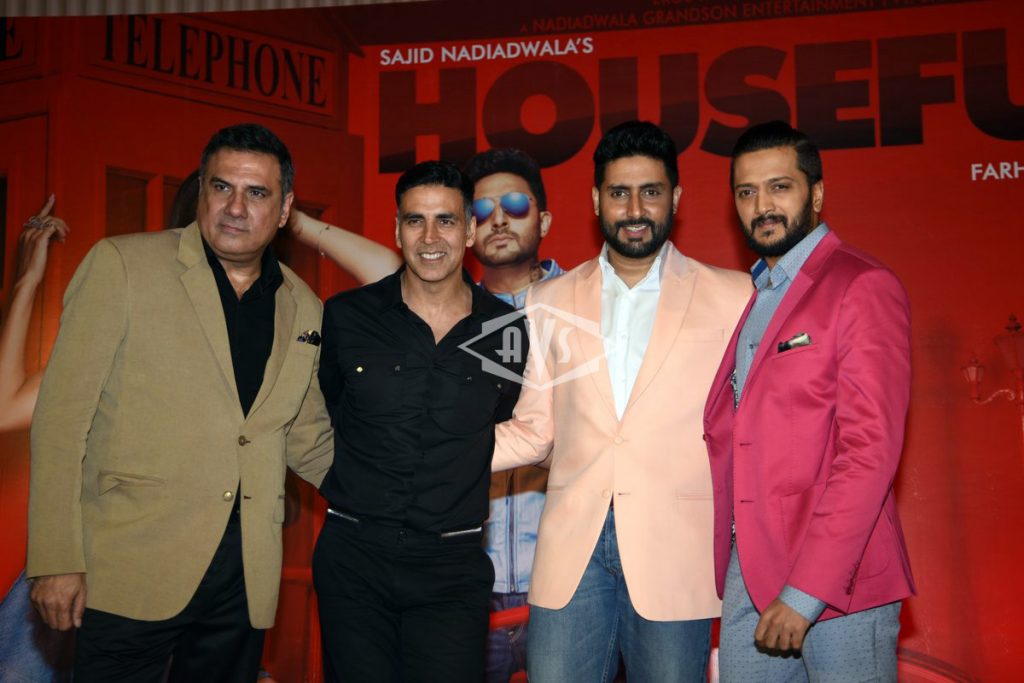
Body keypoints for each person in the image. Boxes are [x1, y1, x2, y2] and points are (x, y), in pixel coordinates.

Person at [26, 123, 334, 682]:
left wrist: (402, 496)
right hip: (130, 565)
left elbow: (306, 437)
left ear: (285, 209)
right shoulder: (123, 265)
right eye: (221, 187)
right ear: (202, 191)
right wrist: (55, 558)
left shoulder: (304, 306)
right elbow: (61, 421)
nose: (235, 208)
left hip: (243, 579)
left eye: (256, 193)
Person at [491, 121, 752, 682]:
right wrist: (428, 452)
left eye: (650, 192)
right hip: (571, 554)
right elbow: (534, 430)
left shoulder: (733, 296)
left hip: (675, 554)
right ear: (595, 200)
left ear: (675, 198)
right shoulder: (548, 300)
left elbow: (752, 432)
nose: (634, 209)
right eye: (619, 193)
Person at [703, 120, 915, 681]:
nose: (762, 206)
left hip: (839, 580)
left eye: (780, 187)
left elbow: (869, 451)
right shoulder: (759, 296)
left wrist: (806, 592)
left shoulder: (860, 284)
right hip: (750, 572)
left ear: (816, 194)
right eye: (746, 192)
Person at [313, 160, 527, 682]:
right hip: (354, 559)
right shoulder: (347, 316)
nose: (430, 237)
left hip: (452, 567)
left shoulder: (506, 329)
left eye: (445, 220)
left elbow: (502, 420)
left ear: (470, 230)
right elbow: (329, 409)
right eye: (415, 220)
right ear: (397, 230)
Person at [462, 148, 562, 682]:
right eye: (481, 210)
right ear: (466, 229)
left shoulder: (589, 306)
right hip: (470, 582)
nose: (498, 219)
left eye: (516, 205)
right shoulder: (448, 319)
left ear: (543, 220)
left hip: (570, 580)